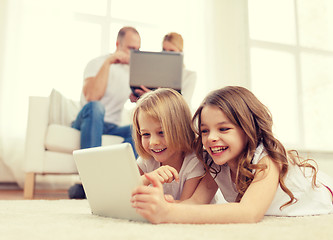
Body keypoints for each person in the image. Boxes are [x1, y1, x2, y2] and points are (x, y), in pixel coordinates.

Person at [131, 86, 333, 224]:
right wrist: (160, 203)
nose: (211, 138)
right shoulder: (213, 162)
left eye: (224, 129)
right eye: (204, 131)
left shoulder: (267, 159)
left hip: (322, 193)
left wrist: (169, 213)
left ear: (247, 129)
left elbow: (249, 212)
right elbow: (195, 203)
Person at [69, 26, 141, 199]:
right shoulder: (97, 63)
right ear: (118, 44)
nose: (134, 54)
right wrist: (109, 62)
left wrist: (139, 96)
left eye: (138, 50)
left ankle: (114, 181)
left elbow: (136, 100)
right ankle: (89, 181)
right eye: (131, 48)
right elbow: (93, 96)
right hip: (88, 120)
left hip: (112, 126)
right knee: (96, 107)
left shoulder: (133, 72)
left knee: (139, 129)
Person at [132, 88, 205, 201]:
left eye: (162, 132)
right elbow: (126, 191)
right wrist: (147, 179)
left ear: (181, 129)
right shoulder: (146, 160)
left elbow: (186, 207)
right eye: (146, 134)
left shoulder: (194, 161)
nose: (153, 142)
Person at [131, 32, 196, 107]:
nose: (167, 54)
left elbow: (182, 105)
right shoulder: (155, 73)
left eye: (172, 51)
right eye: (164, 50)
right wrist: (140, 97)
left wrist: (153, 96)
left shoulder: (190, 76)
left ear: (180, 53)